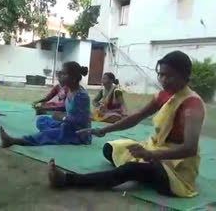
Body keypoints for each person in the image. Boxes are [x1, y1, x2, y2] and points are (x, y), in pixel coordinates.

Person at [48, 51, 205, 198]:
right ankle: (143, 172)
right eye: (161, 75)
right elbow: (137, 117)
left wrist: (151, 155)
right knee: (109, 149)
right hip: (156, 151)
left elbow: (189, 148)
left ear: (185, 76)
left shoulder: (192, 104)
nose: (163, 80)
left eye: (169, 76)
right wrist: (104, 130)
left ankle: (69, 180)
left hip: (177, 170)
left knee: (131, 169)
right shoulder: (164, 95)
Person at [0, 61, 92, 147]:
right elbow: (66, 107)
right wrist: (45, 110)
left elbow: (82, 121)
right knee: (42, 120)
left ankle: (13, 141)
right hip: (67, 125)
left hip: (78, 133)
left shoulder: (81, 96)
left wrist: (63, 118)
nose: (60, 76)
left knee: (45, 134)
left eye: (64, 74)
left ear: (74, 78)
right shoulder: (70, 90)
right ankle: (54, 133)